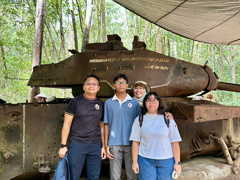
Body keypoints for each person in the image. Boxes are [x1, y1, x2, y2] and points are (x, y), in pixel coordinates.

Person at [58, 74, 106, 180]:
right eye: (88, 84)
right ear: (83, 87)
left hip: (95, 145)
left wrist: (103, 146)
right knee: (73, 175)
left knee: (94, 176)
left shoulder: (101, 105)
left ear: (98, 88)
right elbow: (66, 124)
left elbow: (102, 126)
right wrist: (63, 145)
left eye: (94, 84)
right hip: (77, 144)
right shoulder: (75, 102)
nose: (91, 86)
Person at [130, 92, 182, 180]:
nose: (151, 103)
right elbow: (135, 142)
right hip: (145, 160)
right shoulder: (139, 119)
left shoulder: (168, 119)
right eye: (148, 100)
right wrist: (135, 162)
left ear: (159, 102)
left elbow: (175, 143)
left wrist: (177, 163)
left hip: (166, 160)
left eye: (154, 100)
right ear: (144, 103)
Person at [104, 74, 141, 180]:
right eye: (118, 82)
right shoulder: (108, 103)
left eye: (123, 82)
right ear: (114, 85)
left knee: (132, 174)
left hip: (131, 143)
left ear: (127, 85)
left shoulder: (134, 102)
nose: (121, 85)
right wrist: (106, 145)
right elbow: (106, 124)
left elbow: (139, 124)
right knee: (115, 175)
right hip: (114, 144)